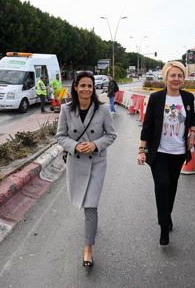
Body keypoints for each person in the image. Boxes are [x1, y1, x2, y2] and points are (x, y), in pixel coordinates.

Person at [56, 71, 116, 267]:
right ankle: (92, 227)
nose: (86, 89)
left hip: (97, 162)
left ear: (93, 88)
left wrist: (95, 144)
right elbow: (61, 136)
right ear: (75, 87)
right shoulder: (66, 109)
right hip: (76, 161)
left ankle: (88, 249)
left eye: (89, 86)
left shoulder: (103, 109)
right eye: (82, 85)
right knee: (84, 203)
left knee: (91, 205)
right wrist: (74, 146)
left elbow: (111, 135)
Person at [137, 61, 195, 246]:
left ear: (183, 78)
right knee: (162, 185)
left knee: (172, 187)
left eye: (180, 75)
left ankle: (168, 216)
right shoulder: (156, 98)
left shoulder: (188, 98)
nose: (176, 79)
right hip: (159, 152)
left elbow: (192, 118)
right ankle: (164, 227)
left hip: (179, 152)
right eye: (173, 75)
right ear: (166, 77)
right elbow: (147, 125)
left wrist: (193, 132)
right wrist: (142, 149)